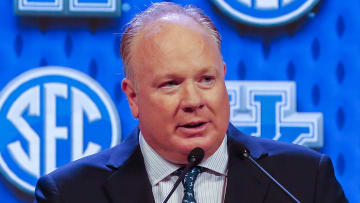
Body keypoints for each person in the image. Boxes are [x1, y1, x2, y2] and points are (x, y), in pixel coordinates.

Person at [34, 2, 347, 203]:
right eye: (171, 84)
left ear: (224, 78)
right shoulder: (70, 194)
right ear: (133, 97)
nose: (194, 100)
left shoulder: (304, 181)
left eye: (206, 80)